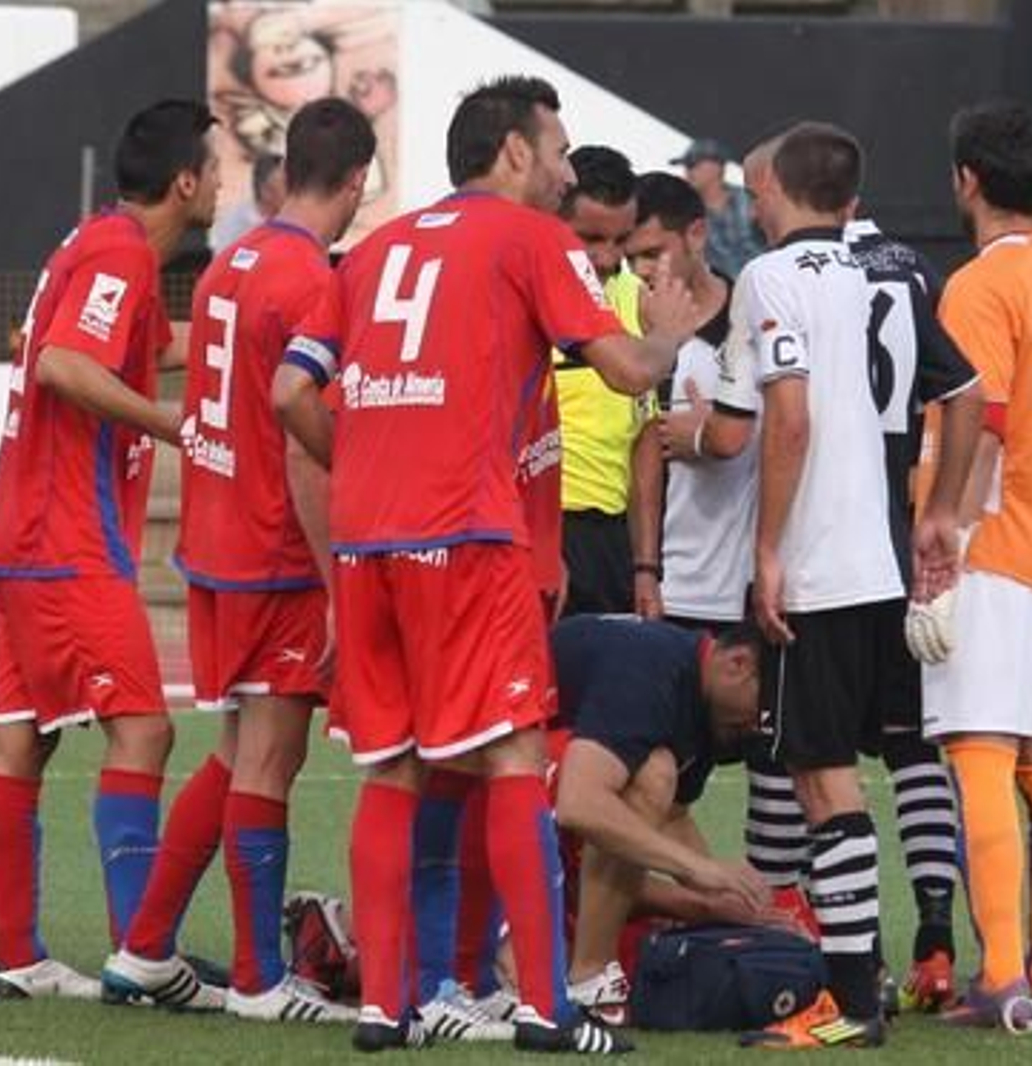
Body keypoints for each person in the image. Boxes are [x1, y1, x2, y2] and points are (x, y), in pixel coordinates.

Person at [274, 74, 703, 1053]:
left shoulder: (376, 246)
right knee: (511, 757)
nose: (562, 169)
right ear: (513, 150)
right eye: (554, 149)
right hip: (467, 539)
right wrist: (676, 329)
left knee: (392, 769)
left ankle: (387, 1006)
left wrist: (373, 461)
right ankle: (548, 1011)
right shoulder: (530, 239)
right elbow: (628, 370)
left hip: (371, 542)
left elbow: (290, 388)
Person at [99, 98, 375, 1024]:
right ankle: (261, 981)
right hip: (275, 552)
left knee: (235, 753)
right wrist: (342, 585)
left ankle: (145, 946)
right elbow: (302, 443)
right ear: (359, 180)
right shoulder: (308, 278)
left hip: (215, 544)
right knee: (270, 758)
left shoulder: (229, 262)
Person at [709, 122, 981, 1050]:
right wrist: (939, 510)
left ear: (772, 192)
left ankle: (850, 1004)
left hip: (822, 566)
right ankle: (868, 983)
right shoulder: (887, 273)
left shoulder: (768, 278)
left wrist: (770, 551)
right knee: (874, 761)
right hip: (884, 562)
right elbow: (970, 389)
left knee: (824, 780)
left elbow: (781, 423)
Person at [0, 99, 219, 1001]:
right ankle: (139, 956)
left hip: (17, 531)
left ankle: (19, 959)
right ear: (185, 181)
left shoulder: (100, 247)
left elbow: (163, 346)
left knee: (21, 743)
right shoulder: (118, 253)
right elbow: (65, 365)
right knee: (145, 728)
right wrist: (168, 427)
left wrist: (275, 332)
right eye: (217, 169)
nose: (223, 185)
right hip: (62, 538)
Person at [922, 104, 1032, 1029]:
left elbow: (980, 421)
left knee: (981, 754)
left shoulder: (979, 287)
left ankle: (1001, 978)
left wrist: (942, 529)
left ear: (967, 181)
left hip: (996, 548)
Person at [553, 615, 773, 1022]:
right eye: (762, 708)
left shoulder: (707, 704)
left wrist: (728, 900)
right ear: (737, 664)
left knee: (653, 792)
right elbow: (579, 804)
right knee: (653, 774)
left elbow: (669, 821)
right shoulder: (647, 671)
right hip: (500, 791)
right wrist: (698, 875)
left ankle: (587, 971)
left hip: (544, 810)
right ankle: (588, 977)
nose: (758, 723)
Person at [623, 171, 746, 627]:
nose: (641, 271)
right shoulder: (624, 331)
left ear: (696, 234)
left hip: (744, 590)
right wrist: (646, 569)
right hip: (663, 589)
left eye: (654, 253)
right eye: (630, 258)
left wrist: (715, 431)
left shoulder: (749, 318)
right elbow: (642, 450)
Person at [553, 145, 655, 616]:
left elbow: (644, 439)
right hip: (540, 531)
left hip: (611, 543)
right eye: (590, 238)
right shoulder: (523, 292)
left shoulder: (637, 297)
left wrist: (645, 567)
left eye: (620, 240)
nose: (607, 257)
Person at [673, 137, 764, 279]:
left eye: (693, 164)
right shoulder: (684, 212)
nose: (688, 171)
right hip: (724, 294)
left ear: (717, 166)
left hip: (766, 283)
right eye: (686, 166)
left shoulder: (750, 199)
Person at [209, 151, 287, 251]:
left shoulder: (289, 218)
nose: (293, 191)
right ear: (266, 191)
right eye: (285, 186)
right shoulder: (236, 225)